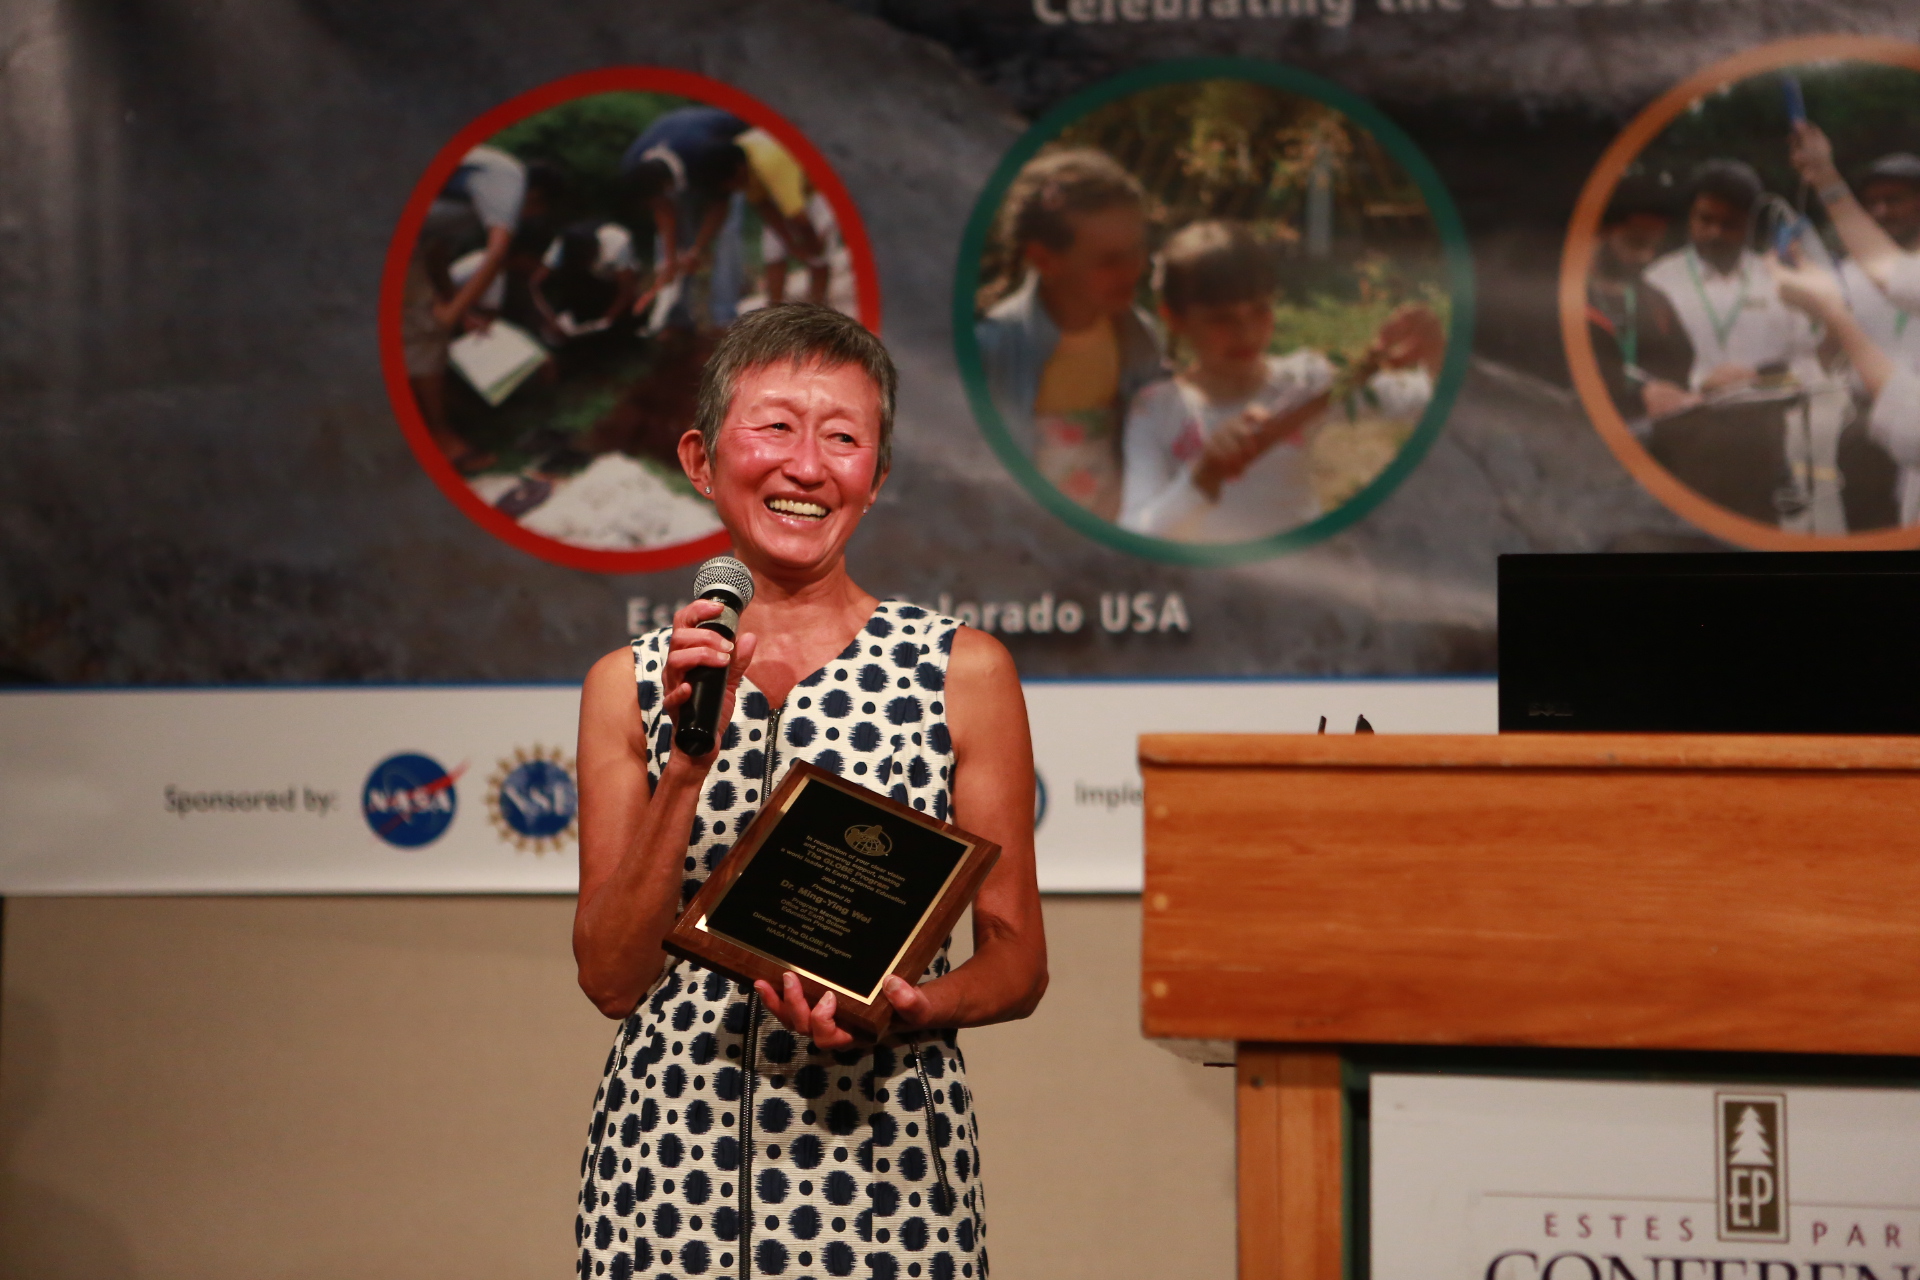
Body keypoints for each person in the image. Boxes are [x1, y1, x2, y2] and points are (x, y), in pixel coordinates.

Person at [571, 304, 1048, 1280]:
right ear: (701, 459)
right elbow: (612, 979)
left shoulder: (960, 670)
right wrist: (687, 769)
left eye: (842, 438)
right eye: (776, 427)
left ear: (878, 476)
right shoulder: (630, 684)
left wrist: (908, 1006)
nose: (807, 465)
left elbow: (1018, 960)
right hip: (671, 1172)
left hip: (883, 1170)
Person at [1118, 220, 1441, 542]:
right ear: (1174, 318)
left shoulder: (1307, 381)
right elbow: (1137, 532)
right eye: (1222, 319)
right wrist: (1204, 477)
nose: (1246, 333)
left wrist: (1436, 351)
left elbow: (1428, 403)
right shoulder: (1155, 408)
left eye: (1260, 310)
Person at [974, 148, 1164, 521]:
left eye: (1137, 251)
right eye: (1110, 260)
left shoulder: (1140, 340)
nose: (1132, 270)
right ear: (1044, 260)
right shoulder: (994, 348)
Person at [402, 148, 563, 468]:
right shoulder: (509, 179)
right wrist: (450, 314)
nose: (527, 218)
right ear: (536, 196)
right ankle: (439, 438)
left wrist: (458, 309)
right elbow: (498, 251)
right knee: (425, 336)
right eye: (536, 211)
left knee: (417, 335)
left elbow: (436, 252)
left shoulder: (471, 202)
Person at [621, 109, 812, 330]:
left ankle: (726, 317)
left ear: (668, 186)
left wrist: (698, 249)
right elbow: (663, 210)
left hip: (728, 157)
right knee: (677, 247)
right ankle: (676, 318)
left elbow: (720, 205)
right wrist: (671, 261)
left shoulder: (703, 155)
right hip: (681, 157)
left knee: (726, 235)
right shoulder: (633, 166)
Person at [1643, 160, 1821, 394]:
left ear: (1749, 224)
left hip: (1769, 411)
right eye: (1706, 220)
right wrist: (1701, 385)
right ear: (1690, 217)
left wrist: (1759, 382)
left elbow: (1807, 367)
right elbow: (1644, 371)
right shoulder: (1658, 281)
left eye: (1729, 224)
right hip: (1689, 411)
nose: (1715, 232)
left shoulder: (1777, 279)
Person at [1584, 176, 1697, 425]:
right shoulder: (1563, 301)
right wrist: (1635, 401)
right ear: (1600, 232)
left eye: (1653, 246)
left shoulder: (1657, 302)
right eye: (1635, 243)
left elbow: (1682, 368)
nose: (1646, 257)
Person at [1791, 124, 1920, 313]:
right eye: (1871, 202)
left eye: (1893, 200)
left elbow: (1902, 282)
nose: (1881, 211)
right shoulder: (1847, 274)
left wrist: (1822, 174)